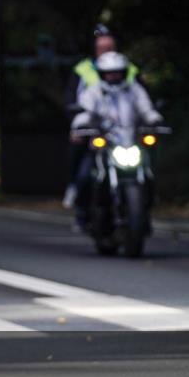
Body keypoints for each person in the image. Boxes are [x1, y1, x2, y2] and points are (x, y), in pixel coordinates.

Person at [70, 51, 163, 228]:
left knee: (149, 174)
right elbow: (85, 112)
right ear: (102, 74)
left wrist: (154, 120)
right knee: (85, 177)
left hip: (129, 142)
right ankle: (84, 213)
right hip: (105, 145)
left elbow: (146, 108)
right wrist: (79, 126)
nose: (113, 76)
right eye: (109, 72)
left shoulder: (134, 90)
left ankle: (145, 210)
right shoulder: (94, 92)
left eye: (117, 72)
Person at [63, 24, 138, 213]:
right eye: (102, 49)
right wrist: (77, 126)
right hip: (96, 131)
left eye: (110, 48)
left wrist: (152, 118)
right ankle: (75, 191)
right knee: (84, 171)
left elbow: (143, 100)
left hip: (126, 132)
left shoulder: (129, 70)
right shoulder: (83, 71)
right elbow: (75, 103)